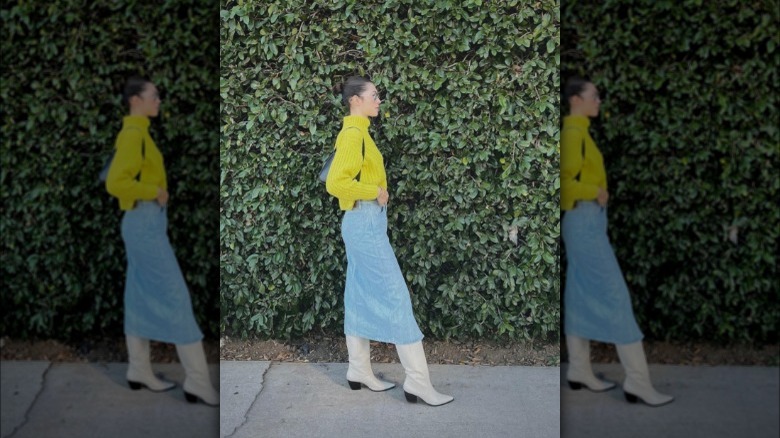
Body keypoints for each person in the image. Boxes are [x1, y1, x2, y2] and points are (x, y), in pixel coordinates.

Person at [325, 76, 453, 406]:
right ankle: (418, 382)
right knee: (395, 295)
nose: (378, 100)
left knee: (358, 292)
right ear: (355, 100)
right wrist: (375, 191)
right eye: (373, 95)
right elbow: (336, 183)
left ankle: (359, 370)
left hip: (363, 222)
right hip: (364, 221)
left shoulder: (360, 132)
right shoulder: (353, 134)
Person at [560, 76, 674, 407]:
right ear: (576, 99)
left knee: (579, 293)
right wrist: (594, 191)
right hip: (584, 220)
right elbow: (563, 184)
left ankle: (579, 370)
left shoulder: (579, 133)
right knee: (616, 295)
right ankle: (638, 382)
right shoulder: (572, 134)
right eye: (594, 96)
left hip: (586, 223)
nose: (599, 101)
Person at [105, 77, 219, 406]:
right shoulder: (133, 135)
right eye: (153, 96)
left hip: (144, 223)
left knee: (138, 292)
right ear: (135, 100)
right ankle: (197, 382)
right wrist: (153, 191)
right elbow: (115, 182)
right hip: (143, 222)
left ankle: (139, 370)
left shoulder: (138, 133)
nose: (158, 101)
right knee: (176, 295)